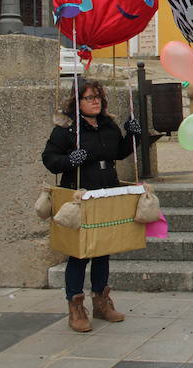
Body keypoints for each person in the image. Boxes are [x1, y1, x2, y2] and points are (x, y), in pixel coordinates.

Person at [42, 80, 141, 332]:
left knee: (102, 249)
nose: (95, 101)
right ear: (77, 102)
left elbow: (119, 152)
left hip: (106, 192)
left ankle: (101, 301)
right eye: (89, 98)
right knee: (78, 252)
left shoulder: (108, 124)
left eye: (98, 97)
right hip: (80, 195)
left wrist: (133, 134)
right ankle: (75, 306)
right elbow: (50, 159)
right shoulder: (67, 130)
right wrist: (69, 160)